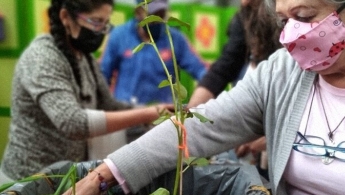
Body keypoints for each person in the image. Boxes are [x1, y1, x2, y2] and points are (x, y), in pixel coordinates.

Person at [64, 0, 345, 194]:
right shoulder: (282, 74)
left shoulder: (175, 39)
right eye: (285, 21)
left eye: (305, 16)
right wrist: (101, 177)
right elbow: (201, 126)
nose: (291, 35)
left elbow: (203, 69)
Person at [0, 0, 173, 183]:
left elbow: (110, 106)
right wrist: (147, 114)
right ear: (66, 17)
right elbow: (73, 122)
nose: (101, 32)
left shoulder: (85, 58)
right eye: (96, 22)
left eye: (105, 24)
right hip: (25, 180)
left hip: (62, 179)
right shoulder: (42, 56)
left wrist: (155, 117)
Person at [188, 0, 282, 181]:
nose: (244, 2)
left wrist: (269, 137)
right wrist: (190, 113)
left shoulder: (287, 22)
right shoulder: (244, 16)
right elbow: (224, 67)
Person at [100, 0, 208, 105]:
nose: (157, 19)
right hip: (126, 112)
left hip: (161, 115)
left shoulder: (175, 39)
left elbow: (201, 71)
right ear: (138, 12)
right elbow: (103, 76)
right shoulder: (119, 36)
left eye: (161, 14)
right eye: (152, 15)